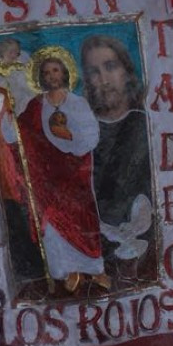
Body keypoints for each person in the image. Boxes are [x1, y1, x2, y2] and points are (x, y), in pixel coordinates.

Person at [15, 48, 106, 295]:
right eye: (46, 72)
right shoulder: (35, 105)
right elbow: (19, 132)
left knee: (82, 221)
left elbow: (91, 136)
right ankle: (64, 272)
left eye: (55, 70)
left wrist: (70, 139)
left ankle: (90, 267)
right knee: (53, 226)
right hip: (47, 180)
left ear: (65, 73)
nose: (51, 75)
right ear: (41, 77)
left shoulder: (78, 103)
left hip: (75, 176)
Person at [80, 35, 155, 287]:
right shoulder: (81, 133)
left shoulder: (151, 126)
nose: (103, 79)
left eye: (111, 66)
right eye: (94, 71)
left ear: (126, 70)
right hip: (97, 259)